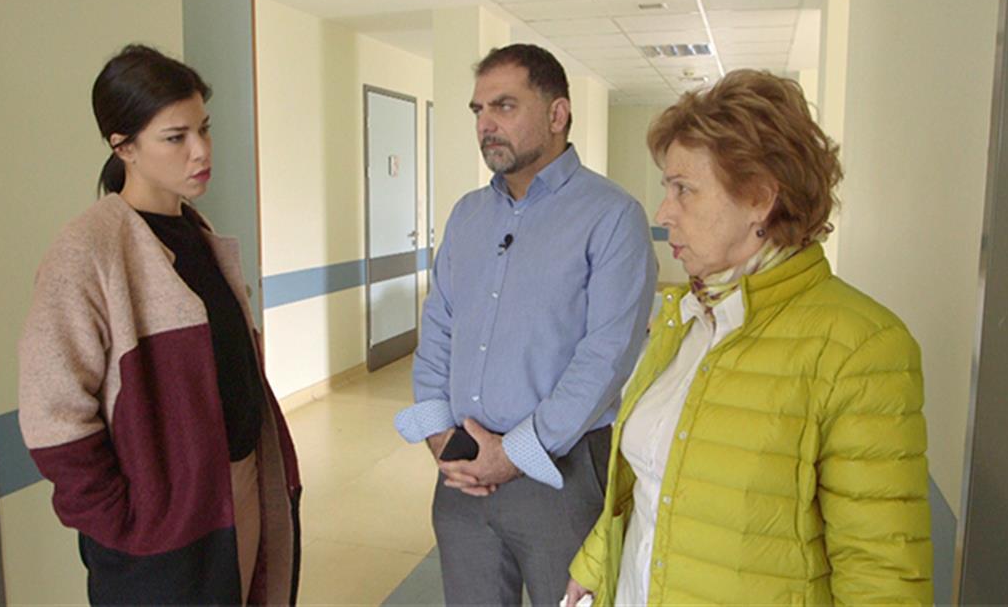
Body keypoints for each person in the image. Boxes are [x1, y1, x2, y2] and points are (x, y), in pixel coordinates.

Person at [565, 69, 933, 606]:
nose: (663, 213)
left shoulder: (860, 347)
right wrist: (597, 563)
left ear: (759, 197)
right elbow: (650, 483)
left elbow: (881, 576)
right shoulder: (685, 317)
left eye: (683, 190)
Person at [18, 45, 301, 606]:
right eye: (176, 137)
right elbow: (52, 412)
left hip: (236, 488)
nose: (202, 151)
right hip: (163, 530)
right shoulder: (89, 249)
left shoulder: (197, 234)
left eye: (204, 129)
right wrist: (128, 522)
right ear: (123, 146)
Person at [394, 43, 657, 606]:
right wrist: (440, 435)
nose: (486, 124)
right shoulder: (468, 215)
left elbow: (606, 356)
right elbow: (438, 328)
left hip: (561, 475)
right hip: (462, 473)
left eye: (505, 106)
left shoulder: (611, 216)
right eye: (478, 110)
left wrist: (513, 454)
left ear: (557, 114)